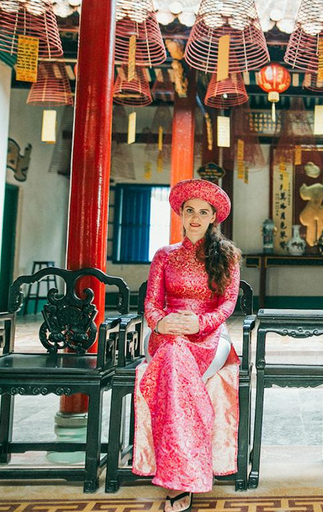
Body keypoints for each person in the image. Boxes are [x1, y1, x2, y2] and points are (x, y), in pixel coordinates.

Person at [136, 178, 241, 512]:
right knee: (173, 353)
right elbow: (151, 304)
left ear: (213, 217)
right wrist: (162, 322)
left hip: (209, 337)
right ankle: (185, 474)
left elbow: (227, 306)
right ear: (181, 214)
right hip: (168, 335)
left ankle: (179, 478)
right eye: (190, 210)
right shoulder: (164, 256)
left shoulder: (227, 257)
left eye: (203, 212)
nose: (196, 217)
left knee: (177, 356)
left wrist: (199, 322)